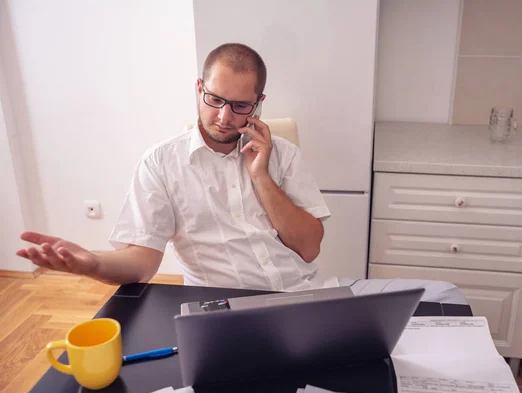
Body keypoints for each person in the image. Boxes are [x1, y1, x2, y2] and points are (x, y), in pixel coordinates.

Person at [16, 43, 330, 292]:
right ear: (199, 88)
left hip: (299, 293)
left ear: (258, 102)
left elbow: (309, 248)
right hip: (221, 310)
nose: (223, 117)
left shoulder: (283, 155)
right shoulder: (160, 164)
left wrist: (261, 176)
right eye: (214, 99)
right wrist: (92, 263)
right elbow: (143, 261)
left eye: (240, 106)